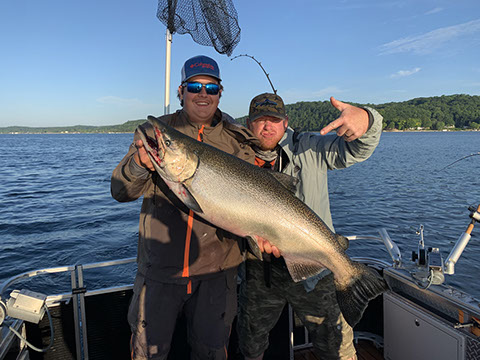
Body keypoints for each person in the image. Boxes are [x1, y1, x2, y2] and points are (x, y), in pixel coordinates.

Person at [111, 55, 258, 360]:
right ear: (181, 91)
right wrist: (139, 164)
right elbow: (120, 191)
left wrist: (261, 242)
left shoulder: (239, 140)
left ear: (220, 92)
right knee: (147, 354)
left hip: (220, 272)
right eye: (194, 86)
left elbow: (252, 208)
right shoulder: (155, 133)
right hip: (160, 272)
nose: (202, 93)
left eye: (210, 87)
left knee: (212, 352)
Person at [237, 92, 383, 360]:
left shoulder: (310, 147)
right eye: (260, 120)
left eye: (274, 119)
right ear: (248, 123)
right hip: (258, 270)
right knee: (250, 345)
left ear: (285, 122)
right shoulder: (237, 157)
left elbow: (356, 150)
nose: (267, 126)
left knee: (336, 347)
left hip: (317, 267)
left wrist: (368, 119)